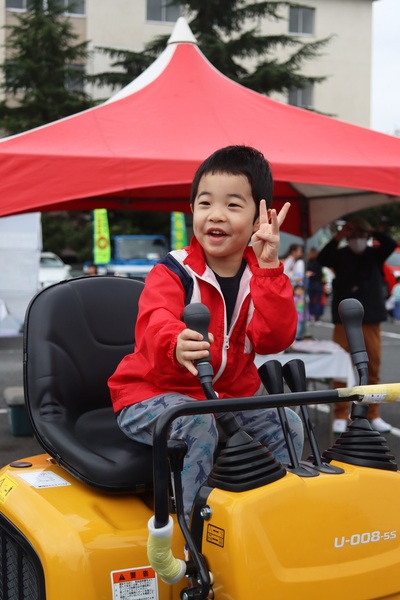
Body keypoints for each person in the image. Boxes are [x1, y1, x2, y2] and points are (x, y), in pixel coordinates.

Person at [108, 145, 303, 521]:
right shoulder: (173, 271)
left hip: (222, 400)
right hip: (149, 397)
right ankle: (194, 534)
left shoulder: (261, 275)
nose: (215, 215)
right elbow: (154, 321)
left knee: (287, 422)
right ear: (193, 209)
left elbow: (275, 339)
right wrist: (174, 341)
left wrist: (269, 268)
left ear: (259, 216)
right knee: (196, 423)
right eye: (204, 203)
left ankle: (276, 520)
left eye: (233, 205)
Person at [317, 217, 397, 435]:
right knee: (340, 367)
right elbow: (322, 258)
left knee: (373, 368)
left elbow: (390, 244)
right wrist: (340, 235)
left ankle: (373, 413)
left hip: (370, 317)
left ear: (367, 237)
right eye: (353, 236)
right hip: (343, 318)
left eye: (361, 236)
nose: (357, 240)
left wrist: (370, 229)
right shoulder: (340, 256)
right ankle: (341, 413)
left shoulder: (374, 254)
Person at [306, 247, 325, 323]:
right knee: (318, 301)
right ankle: (318, 316)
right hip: (318, 283)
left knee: (310, 301)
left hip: (310, 283)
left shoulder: (308, 262)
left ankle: (312, 316)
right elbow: (321, 274)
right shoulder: (319, 262)